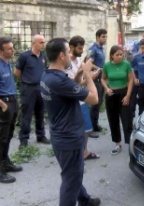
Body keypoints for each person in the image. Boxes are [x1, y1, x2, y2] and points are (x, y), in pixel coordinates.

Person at [40, 38, 100, 206]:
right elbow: (94, 99)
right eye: (68, 52)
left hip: (59, 135)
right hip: (69, 138)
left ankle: (85, 200)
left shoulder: (48, 75)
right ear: (61, 55)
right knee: (71, 180)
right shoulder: (60, 80)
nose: (70, 54)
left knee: (72, 174)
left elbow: (70, 89)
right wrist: (88, 75)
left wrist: (80, 72)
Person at [66, 35, 100, 160]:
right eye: (79, 48)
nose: (81, 51)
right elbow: (72, 86)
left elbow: (79, 80)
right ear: (71, 47)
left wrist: (89, 75)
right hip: (74, 99)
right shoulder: (67, 63)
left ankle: (84, 151)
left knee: (86, 128)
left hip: (81, 97)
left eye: (82, 48)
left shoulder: (78, 61)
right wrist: (89, 79)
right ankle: (77, 153)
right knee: (79, 129)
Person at [14, 34, 50, 148]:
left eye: (43, 42)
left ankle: (40, 135)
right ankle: (23, 139)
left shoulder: (43, 56)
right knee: (27, 115)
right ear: (34, 43)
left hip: (40, 88)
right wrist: (26, 81)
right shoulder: (25, 56)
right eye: (41, 42)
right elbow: (17, 72)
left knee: (40, 113)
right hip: (28, 89)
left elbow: (45, 71)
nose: (43, 44)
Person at [101, 45, 134, 155]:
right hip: (111, 95)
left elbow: (130, 80)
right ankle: (117, 143)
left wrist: (128, 96)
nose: (120, 57)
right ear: (112, 56)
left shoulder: (127, 65)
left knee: (127, 119)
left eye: (121, 54)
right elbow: (103, 79)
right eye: (117, 55)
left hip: (124, 93)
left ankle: (130, 144)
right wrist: (107, 88)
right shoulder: (107, 65)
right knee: (113, 120)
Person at [0, 37, 23, 183]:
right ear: (1, 51)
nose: (13, 50)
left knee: (8, 136)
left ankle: (5, 162)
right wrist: (2, 104)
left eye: (12, 47)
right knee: (1, 138)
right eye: (9, 49)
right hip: (4, 104)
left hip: (13, 102)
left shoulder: (7, 63)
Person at [88, 29, 107, 137]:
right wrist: (100, 69)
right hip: (95, 79)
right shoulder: (93, 49)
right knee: (94, 103)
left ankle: (95, 124)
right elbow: (88, 63)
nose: (105, 39)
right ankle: (91, 127)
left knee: (99, 102)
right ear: (98, 37)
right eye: (103, 37)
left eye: (105, 36)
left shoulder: (101, 49)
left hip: (101, 78)